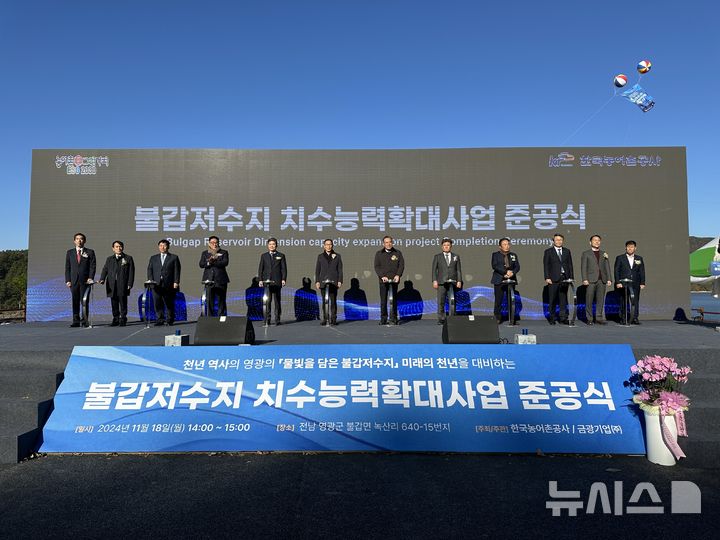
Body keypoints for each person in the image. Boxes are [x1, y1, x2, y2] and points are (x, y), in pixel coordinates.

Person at [98, 241, 135, 326]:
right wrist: (102, 279)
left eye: (120, 246)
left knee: (123, 302)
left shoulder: (128, 258)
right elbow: (105, 269)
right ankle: (115, 319)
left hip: (123, 284)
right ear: (113, 248)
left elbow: (131, 272)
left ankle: (123, 319)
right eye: (117, 247)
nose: (119, 248)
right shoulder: (109, 259)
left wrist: (130, 283)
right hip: (111, 284)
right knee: (114, 302)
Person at [64, 232, 96, 327]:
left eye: (81, 239)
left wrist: (90, 278)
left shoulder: (90, 252)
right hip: (73, 281)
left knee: (84, 301)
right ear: (74, 241)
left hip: (85, 281)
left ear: (84, 241)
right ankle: (76, 321)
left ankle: (85, 320)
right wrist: (68, 280)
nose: (79, 240)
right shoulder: (70, 252)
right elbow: (67, 267)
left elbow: (92, 266)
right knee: (75, 301)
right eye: (77, 239)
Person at [147, 239, 181, 326]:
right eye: (161, 245)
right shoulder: (153, 258)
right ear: (158, 247)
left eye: (164, 245)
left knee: (169, 302)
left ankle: (170, 319)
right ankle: (160, 319)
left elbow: (177, 270)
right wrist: (151, 280)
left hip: (169, 284)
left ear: (168, 247)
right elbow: (150, 270)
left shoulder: (174, 257)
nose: (162, 247)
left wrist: (176, 282)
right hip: (156, 284)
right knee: (157, 302)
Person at [580, 235, 612, 325]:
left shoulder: (603, 253)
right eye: (595, 240)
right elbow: (583, 267)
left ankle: (599, 318)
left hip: (602, 280)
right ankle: (589, 318)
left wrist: (609, 278)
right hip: (590, 280)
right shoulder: (586, 253)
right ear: (590, 242)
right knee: (589, 299)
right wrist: (584, 279)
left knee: (600, 300)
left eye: (598, 240)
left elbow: (607, 267)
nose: (597, 242)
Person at [543, 233, 574, 325]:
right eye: (557, 240)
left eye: (560, 240)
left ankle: (563, 317)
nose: (559, 241)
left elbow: (570, 265)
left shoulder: (567, 251)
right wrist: (547, 277)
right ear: (553, 241)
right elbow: (546, 265)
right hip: (553, 278)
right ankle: (552, 318)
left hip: (564, 278)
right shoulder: (548, 251)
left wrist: (571, 277)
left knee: (563, 299)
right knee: (552, 299)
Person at [374, 235, 404, 325]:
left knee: (393, 300)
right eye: (386, 242)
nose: (388, 244)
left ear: (392, 242)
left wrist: (398, 275)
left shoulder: (398, 253)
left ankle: (393, 318)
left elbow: (401, 265)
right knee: (383, 301)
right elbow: (377, 266)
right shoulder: (379, 254)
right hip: (383, 281)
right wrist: (382, 276)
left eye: (390, 242)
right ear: (383, 244)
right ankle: (383, 318)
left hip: (394, 280)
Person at [431, 238, 463, 324]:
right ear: (442, 247)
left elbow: (458, 270)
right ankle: (441, 319)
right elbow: (434, 270)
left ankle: (452, 318)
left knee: (452, 301)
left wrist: (459, 280)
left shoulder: (456, 256)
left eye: (448, 245)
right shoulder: (437, 257)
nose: (446, 247)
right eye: (444, 245)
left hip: (453, 282)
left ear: (451, 246)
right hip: (441, 281)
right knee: (441, 301)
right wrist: (434, 280)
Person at [614, 240, 646, 325]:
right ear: (626, 248)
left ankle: (635, 318)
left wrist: (642, 282)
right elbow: (616, 270)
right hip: (623, 283)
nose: (630, 248)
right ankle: (623, 318)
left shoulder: (639, 258)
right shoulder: (620, 258)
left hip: (635, 283)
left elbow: (642, 271)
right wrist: (617, 282)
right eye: (628, 247)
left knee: (635, 301)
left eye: (632, 247)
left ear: (635, 248)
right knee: (623, 301)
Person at [258, 237, 287, 325]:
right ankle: (267, 319)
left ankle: (277, 319)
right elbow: (260, 269)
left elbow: (284, 269)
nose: (272, 246)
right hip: (267, 281)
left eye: (273, 244)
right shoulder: (264, 255)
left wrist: (283, 279)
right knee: (267, 301)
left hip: (277, 281)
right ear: (268, 245)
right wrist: (260, 280)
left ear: (276, 245)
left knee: (277, 301)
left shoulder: (281, 255)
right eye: (270, 244)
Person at [491, 237, 520, 324]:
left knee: (511, 300)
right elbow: (494, 266)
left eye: (508, 244)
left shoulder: (513, 255)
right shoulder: (495, 255)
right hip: (499, 279)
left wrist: (512, 273)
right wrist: (505, 272)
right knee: (498, 300)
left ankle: (511, 318)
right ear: (500, 246)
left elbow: (517, 266)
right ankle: (497, 318)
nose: (507, 246)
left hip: (511, 279)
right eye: (504, 244)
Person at [199, 236, 229, 316]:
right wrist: (208, 262)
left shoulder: (224, 252)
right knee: (209, 300)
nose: (214, 244)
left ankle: (221, 317)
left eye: (216, 243)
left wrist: (213, 261)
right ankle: (210, 317)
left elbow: (225, 263)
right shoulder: (205, 253)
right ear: (209, 244)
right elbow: (201, 264)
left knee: (221, 300)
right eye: (212, 243)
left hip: (221, 279)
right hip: (209, 279)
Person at [315, 239, 343, 326]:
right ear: (324, 246)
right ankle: (325, 318)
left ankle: (333, 319)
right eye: (327, 244)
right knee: (324, 301)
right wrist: (317, 281)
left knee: (333, 301)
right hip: (323, 282)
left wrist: (340, 281)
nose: (328, 246)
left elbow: (340, 270)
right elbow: (317, 270)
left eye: (330, 244)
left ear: (332, 245)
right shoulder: (320, 256)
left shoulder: (337, 256)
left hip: (333, 282)